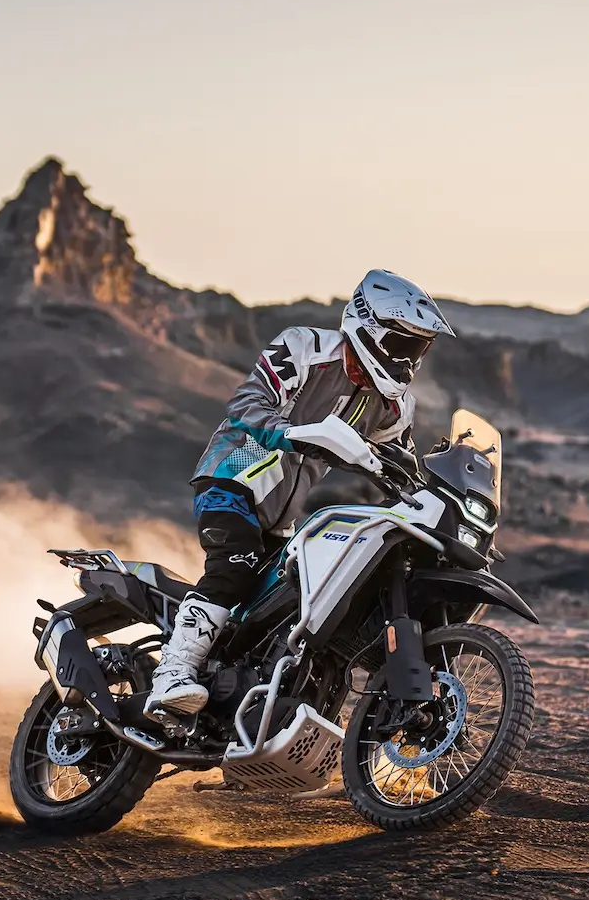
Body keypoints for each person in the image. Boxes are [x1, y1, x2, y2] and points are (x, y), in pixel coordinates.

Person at [146, 269, 454, 716]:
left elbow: (398, 465)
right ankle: (171, 674)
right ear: (367, 327)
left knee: (282, 613)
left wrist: (436, 493)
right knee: (235, 569)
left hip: (284, 513)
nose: (407, 361)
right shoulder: (304, 348)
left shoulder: (395, 407)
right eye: (401, 345)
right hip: (232, 476)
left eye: (417, 350)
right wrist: (297, 434)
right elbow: (247, 407)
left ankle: (242, 721)